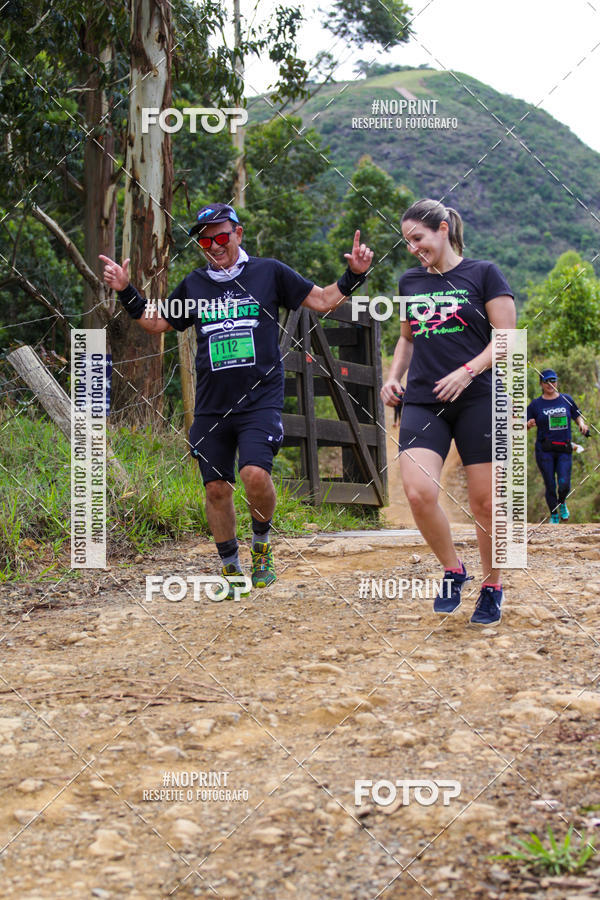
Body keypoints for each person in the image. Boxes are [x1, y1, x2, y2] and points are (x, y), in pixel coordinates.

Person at [100, 203, 373, 598]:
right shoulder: (194, 285)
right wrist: (126, 289)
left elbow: (323, 300)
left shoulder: (270, 272)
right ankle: (230, 568)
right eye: (205, 239)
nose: (214, 245)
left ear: (238, 234)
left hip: (260, 398)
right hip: (211, 405)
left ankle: (261, 543)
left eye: (221, 236)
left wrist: (355, 275)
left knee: (254, 475)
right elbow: (157, 322)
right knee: (216, 489)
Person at [381, 199, 516, 626]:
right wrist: (393, 375)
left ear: (442, 229)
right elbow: (407, 338)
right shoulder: (410, 282)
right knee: (419, 493)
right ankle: (453, 569)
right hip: (423, 398)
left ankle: (492, 586)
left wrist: (467, 371)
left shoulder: (483, 273)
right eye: (407, 242)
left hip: (479, 398)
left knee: (487, 503)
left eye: (418, 238)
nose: (413, 248)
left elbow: (507, 337)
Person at [527, 368, 589, 523]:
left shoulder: (566, 399)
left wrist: (582, 425)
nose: (550, 384)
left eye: (553, 380)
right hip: (544, 450)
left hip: (564, 449)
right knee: (550, 483)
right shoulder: (535, 404)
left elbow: (577, 415)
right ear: (541, 384)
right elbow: (523, 423)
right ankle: (554, 514)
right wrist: (528, 424)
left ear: (557, 381)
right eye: (547, 381)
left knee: (564, 483)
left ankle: (562, 502)